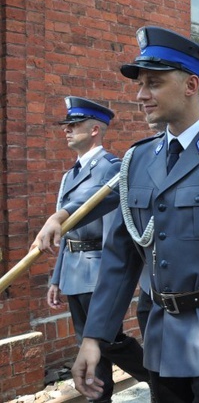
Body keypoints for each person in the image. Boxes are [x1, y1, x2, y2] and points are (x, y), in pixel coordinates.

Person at [70, 27, 199, 403]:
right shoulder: (138, 159)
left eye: (153, 83)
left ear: (190, 85)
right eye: (140, 84)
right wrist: (94, 337)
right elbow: (120, 258)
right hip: (162, 345)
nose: (141, 95)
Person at [32, 97, 150, 403]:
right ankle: (101, 398)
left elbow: (112, 227)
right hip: (74, 269)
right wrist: (57, 277)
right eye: (66, 126)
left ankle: (157, 377)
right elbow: (64, 231)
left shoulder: (111, 169)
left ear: (95, 129)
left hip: (99, 268)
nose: (67, 131)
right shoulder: (69, 175)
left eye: (74, 126)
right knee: (88, 342)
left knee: (104, 340)